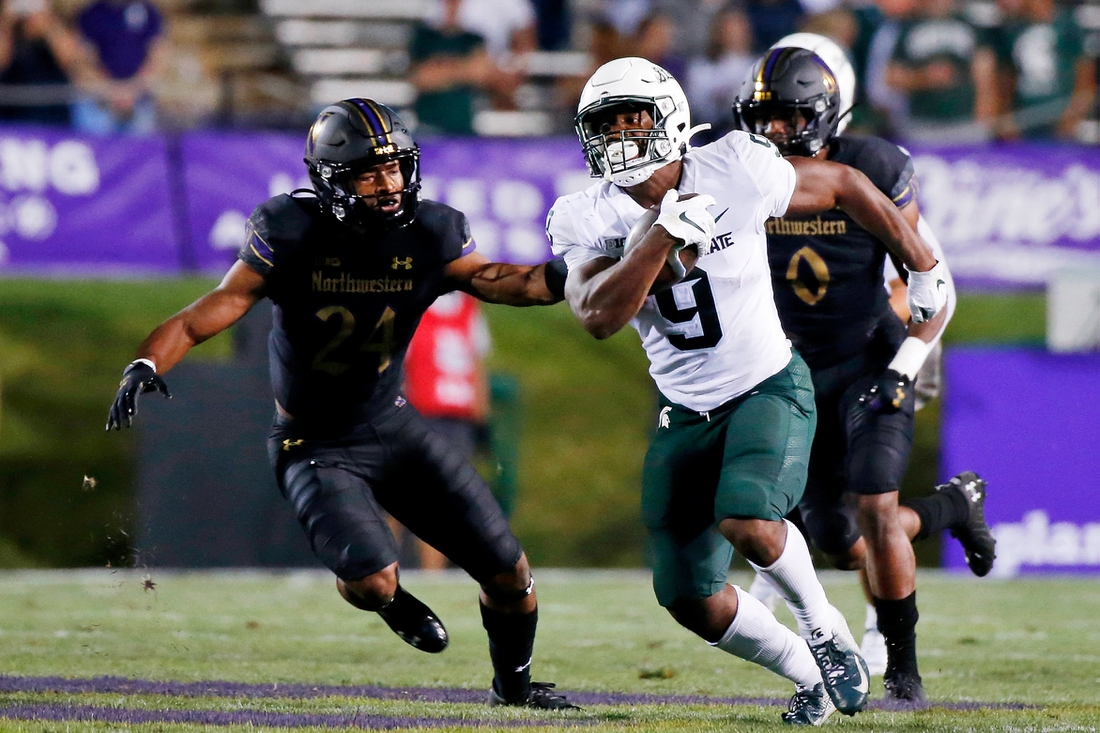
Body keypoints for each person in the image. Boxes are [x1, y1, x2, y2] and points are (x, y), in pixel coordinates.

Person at [106, 98, 577, 711]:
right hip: (314, 443)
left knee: (510, 571)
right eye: (369, 172)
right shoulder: (289, 230)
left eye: (396, 169)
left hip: (392, 424)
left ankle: (514, 692)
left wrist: (578, 271)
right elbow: (208, 312)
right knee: (371, 580)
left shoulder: (432, 230)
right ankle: (392, 602)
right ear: (331, 179)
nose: (388, 185)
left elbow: (503, 280)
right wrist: (147, 360)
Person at [547, 56, 948, 725]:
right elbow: (595, 313)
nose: (618, 140)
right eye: (604, 127)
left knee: (749, 518)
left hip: (767, 384)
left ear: (670, 119)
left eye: (631, 123)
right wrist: (659, 236)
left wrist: (922, 262)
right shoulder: (583, 213)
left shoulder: (736, 164)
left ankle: (824, 626)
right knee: (687, 596)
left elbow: (847, 185)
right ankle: (806, 673)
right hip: (684, 410)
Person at [732, 45, 997, 703]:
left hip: (870, 355)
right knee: (839, 538)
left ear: (826, 115)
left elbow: (934, 282)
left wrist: (906, 367)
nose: (774, 134)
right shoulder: (740, 172)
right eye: (765, 118)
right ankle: (951, 506)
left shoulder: (872, 167)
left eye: (790, 118)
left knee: (876, 503)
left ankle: (905, 668)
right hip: (793, 367)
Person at [399, 289, 493, 570]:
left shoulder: (468, 307)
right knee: (400, 495)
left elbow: (477, 366)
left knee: (440, 501)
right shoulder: (414, 304)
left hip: (456, 419)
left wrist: (481, 418)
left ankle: (432, 574)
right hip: (421, 414)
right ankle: (381, 570)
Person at [884, 0, 998, 143]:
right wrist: (924, 77)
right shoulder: (909, 27)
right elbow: (891, 77)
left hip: (965, 122)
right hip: (922, 122)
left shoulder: (971, 26)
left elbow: (986, 76)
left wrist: (985, 118)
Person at [987, 0, 1095, 141]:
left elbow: (1085, 74)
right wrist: (1007, 115)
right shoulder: (1013, 27)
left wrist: (1073, 114)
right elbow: (1006, 78)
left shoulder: (1067, 24)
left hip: (1060, 116)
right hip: (1024, 117)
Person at [408, 0, 520, 135]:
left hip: (464, 127)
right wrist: (465, 69)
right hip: (428, 126)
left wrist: (441, 71)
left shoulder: (473, 38)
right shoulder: (425, 37)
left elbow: (482, 73)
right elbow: (422, 78)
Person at [74, 0, 166, 134]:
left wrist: (134, 88)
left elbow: (159, 55)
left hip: (137, 97)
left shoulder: (148, 11)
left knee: (139, 148)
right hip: (100, 99)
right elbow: (80, 60)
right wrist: (110, 90)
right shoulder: (90, 13)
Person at [0, 0, 87, 127]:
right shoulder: (6, 28)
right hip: (10, 123)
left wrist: (48, 23)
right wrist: (7, 21)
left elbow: (72, 60)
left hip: (54, 120)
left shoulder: (58, 23)